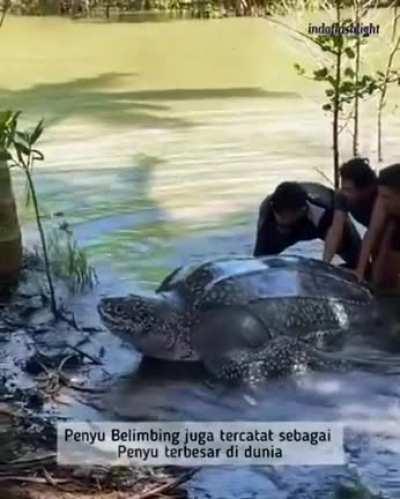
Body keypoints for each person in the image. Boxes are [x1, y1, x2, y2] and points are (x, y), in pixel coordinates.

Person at [253, 181, 361, 268]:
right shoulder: (267, 208)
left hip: (322, 221)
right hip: (289, 226)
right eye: (280, 216)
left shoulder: (322, 208)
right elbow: (259, 257)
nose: (283, 220)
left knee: (355, 256)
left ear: (302, 211)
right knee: (263, 261)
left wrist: (325, 266)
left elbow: (334, 235)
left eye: (286, 217)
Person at [323, 157, 377, 266]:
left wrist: (360, 270)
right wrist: (325, 263)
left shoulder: (380, 197)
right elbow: (335, 230)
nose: (344, 193)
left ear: (366, 189)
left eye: (349, 190)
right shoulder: (342, 197)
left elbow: (373, 233)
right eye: (343, 188)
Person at [355, 164, 400, 290]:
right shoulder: (382, 201)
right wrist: (360, 270)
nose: (382, 201)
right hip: (393, 224)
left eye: (386, 197)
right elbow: (372, 232)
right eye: (380, 195)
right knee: (380, 278)